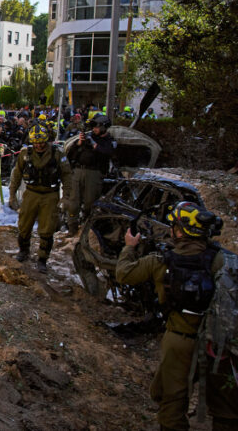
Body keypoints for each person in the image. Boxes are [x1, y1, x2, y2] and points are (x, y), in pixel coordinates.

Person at [116, 202, 238, 431]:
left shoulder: (161, 260)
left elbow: (124, 274)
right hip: (217, 344)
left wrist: (129, 247)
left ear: (179, 232)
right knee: (226, 409)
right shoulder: (221, 260)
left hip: (179, 341)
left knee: (172, 402)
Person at [9, 125, 72, 273]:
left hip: (50, 195)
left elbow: (67, 176)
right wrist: (12, 194)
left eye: (42, 142)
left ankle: (43, 259)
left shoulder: (57, 154)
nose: (39, 145)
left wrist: (66, 197)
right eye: (36, 143)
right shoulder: (25, 153)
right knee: (24, 225)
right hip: (31, 193)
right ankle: (23, 251)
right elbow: (17, 174)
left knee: (47, 228)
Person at [65, 114, 117, 233]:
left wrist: (94, 145)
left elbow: (108, 152)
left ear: (104, 127)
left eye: (97, 127)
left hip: (94, 173)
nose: (94, 129)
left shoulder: (109, 140)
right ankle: (72, 228)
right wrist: (79, 143)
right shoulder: (88, 137)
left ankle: (87, 227)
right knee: (73, 203)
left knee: (90, 203)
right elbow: (70, 154)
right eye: (93, 127)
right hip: (78, 171)